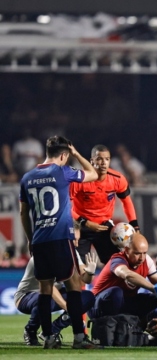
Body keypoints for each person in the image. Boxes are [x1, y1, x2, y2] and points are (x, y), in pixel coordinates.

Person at [18, 135, 101, 349]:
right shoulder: (63, 171)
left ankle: (48, 338)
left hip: (39, 241)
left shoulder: (27, 178)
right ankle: (79, 339)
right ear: (63, 155)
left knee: (45, 290)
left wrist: (30, 238)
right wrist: (77, 154)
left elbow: (23, 212)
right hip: (61, 238)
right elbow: (93, 174)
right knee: (74, 286)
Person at [15, 243, 97, 346]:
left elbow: (83, 281)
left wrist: (90, 273)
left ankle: (54, 329)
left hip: (52, 293)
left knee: (87, 297)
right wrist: (72, 311)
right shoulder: (43, 251)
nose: (77, 241)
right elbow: (49, 288)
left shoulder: (72, 252)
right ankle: (30, 330)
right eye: (74, 237)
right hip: (27, 296)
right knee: (46, 299)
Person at [70, 144, 140, 264]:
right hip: (81, 226)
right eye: (99, 159)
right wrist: (84, 223)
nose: (103, 163)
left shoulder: (117, 179)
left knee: (117, 263)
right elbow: (67, 207)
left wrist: (135, 226)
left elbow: (127, 202)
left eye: (107, 159)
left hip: (104, 227)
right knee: (78, 268)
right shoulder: (79, 180)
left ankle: (111, 282)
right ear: (92, 161)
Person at [88, 233, 157, 327]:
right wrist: (154, 288)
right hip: (97, 305)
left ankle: (138, 330)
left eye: (144, 253)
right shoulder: (118, 259)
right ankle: (111, 328)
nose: (141, 258)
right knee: (116, 292)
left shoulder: (147, 261)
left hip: (124, 303)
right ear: (127, 250)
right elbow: (127, 274)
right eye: (137, 253)